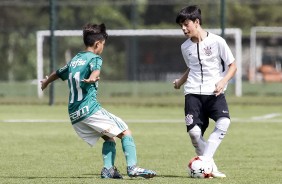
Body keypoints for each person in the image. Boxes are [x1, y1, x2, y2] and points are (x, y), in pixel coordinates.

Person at [40, 23, 156, 179]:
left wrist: (46, 82)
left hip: (75, 114)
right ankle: (133, 168)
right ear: (97, 44)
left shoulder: (76, 59)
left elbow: (59, 72)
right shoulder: (95, 58)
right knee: (125, 131)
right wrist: (93, 77)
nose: (103, 48)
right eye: (103, 45)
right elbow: (96, 69)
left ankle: (108, 170)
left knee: (109, 137)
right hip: (89, 109)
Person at [173, 5, 237, 178]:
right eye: (181, 26)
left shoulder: (217, 41)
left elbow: (233, 66)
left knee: (224, 123)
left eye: (186, 24)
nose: (183, 29)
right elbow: (191, 68)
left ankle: (205, 162)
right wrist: (180, 81)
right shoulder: (185, 47)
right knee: (194, 133)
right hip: (192, 92)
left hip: (214, 92)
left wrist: (223, 81)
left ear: (196, 22)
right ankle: (210, 166)